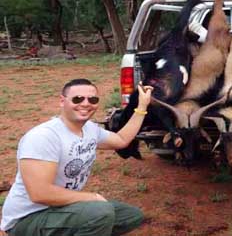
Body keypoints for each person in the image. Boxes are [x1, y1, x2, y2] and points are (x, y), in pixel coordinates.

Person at [1, 78, 154, 236]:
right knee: (100, 212)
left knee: (130, 216)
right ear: (62, 101)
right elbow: (40, 193)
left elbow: (122, 140)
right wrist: (92, 197)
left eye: (92, 99)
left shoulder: (90, 130)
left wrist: (142, 106)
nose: (86, 103)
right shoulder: (44, 137)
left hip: (59, 208)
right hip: (27, 219)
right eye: (77, 99)